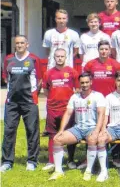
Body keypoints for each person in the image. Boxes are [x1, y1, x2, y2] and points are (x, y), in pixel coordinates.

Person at [48, 72, 106, 181]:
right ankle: (58, 171)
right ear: (79, 83)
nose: (84, 85)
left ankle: (88, 170)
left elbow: (101, 114)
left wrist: (97, 131)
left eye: (87, 82)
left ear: (91, 82)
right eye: (82, 83)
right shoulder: (75, 96)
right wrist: (61, 130)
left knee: (92, 140)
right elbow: (68, 113)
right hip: (78, 128)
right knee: (57, 139)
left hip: (92, 128)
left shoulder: (98, 96)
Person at [1, 35, 42, 172]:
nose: (19, 45)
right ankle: (7, 161)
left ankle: (32, 161)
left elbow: (39, 79)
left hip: (29, 102)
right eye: (17, 43)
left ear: (27, 44)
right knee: (8, 131)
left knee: (32, 131)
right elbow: (6, 79)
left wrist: (33, 95)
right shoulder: (8, 59)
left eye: (22, 43)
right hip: (12, 102)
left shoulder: (34, 59)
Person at [41, 49, 79, 171]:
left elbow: (77, 89)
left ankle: (70, 160)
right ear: (54, 57)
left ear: (66, 57)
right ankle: (51, 161)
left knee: (70, 134)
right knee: (52, 134)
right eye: (57, 56)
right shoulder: (48, 73)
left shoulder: (72, 72)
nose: (60, 58)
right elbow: (46, 91)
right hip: (52, 108)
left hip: (67, 109)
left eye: (62, 56)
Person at [96, 71, 120, 182]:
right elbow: (105, 115)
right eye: (118, 80)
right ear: (115, 81)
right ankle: (104, 171)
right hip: (112, 128)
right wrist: (103, 129)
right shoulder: (109, 97)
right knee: (101, 139)